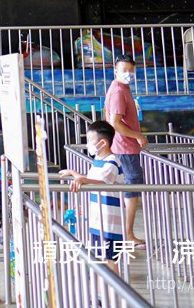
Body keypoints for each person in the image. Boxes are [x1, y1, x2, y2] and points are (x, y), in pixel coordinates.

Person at [59, 120, 124, 272]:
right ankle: (103, 294)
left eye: (90, 140)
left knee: (109, 260)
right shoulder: (98, 161)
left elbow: (103, 181)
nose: (88, 143)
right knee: (101, 259)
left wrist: (82, 179)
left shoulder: (112, 161)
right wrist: (74, 174)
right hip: (97, 220)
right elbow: (91, 179)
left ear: (103, 143)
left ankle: (113, 293)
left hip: (109, 222)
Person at [105, 55, 147, 248]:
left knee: (131, 191)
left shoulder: (124, 89)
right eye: (124, 70)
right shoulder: (118, 91)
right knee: (131, 191)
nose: (128, 74)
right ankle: (128, 235)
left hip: (126, 147)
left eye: (131, 70)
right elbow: (115, 123)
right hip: (125, 148)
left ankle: (126, 233)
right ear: (116, 71)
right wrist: (137, 136)